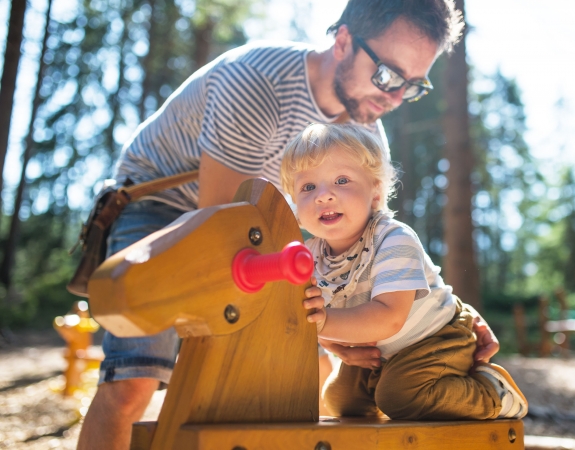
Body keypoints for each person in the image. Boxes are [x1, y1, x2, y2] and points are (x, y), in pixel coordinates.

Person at [77, 1, 500, 448]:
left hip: (256, 230)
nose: (394, 98)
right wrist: (323, 329)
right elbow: (220, 232)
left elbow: (376, 247)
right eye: (387, 76)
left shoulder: (364, 129)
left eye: (411, 86)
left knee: (308, 372)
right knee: (132, 384)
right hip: (164, 208)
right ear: (342, 42)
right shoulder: (256, 85)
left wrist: (446, 318)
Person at [280, 123, 527, 420]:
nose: (323, 196)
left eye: (341, 180)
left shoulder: (392, 238)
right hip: (383, 352)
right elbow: (309, 317)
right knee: (340, 401)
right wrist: (323, 331)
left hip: (435, 337)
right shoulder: (311, 256)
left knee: (400, 395)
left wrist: (325, 322)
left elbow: (389, 316)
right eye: (308, 187)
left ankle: (492, 394)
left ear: (375, 192)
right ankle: (395, 412)